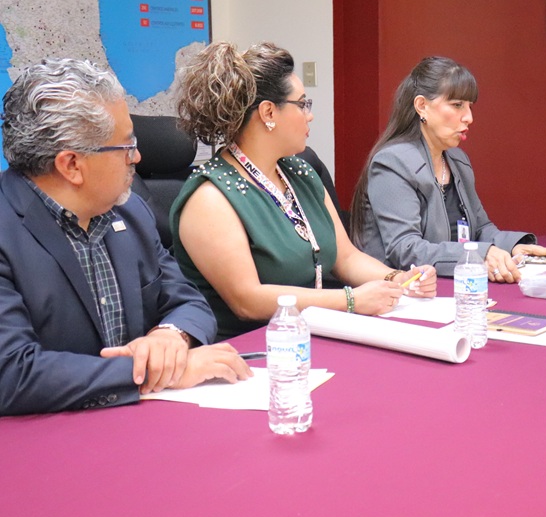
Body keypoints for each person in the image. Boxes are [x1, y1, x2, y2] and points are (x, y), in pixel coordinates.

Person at [0, 59, 251, 416]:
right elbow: (12, 374)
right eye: (125, 146)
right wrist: (150, 373)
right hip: (48, 441)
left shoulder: (129, 210)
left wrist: (170, 336)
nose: (137, 156)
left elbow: (188, 300)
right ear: (71, 165)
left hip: (145, 422)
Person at [171, 42, 437, 341]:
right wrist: (351, 301)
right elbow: (247, 300)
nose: (309, 116)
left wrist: (395, 279)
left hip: (315, 334)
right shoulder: (211, 198)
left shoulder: (300, 172)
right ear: (269, 112)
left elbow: (346, 258)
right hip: (249, 349)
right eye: (302, 104)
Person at [350, 56, 546, 283]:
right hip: (401, 295)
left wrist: (514, 248)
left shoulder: (456, 160)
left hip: (452, 287)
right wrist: (480, 255)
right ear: (422, 106)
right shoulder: (392, 162)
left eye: (469, 106)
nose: (469, 117)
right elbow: (405, 249)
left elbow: (481, 229)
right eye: (457, 105)